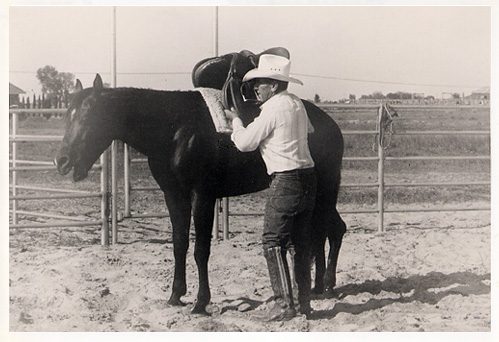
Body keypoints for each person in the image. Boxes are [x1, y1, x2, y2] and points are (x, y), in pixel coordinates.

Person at [225, 54, 317, 321]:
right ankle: (303, 304)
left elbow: (245, 143)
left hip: (286, 180)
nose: (256, 88)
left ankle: (283, 304)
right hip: (308, 178)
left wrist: (235, 121)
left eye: (261, 83)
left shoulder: (273, 108)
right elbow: (309, 130)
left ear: (274, 86)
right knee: (299, 243)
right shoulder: (296, 103)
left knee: (272, 242)